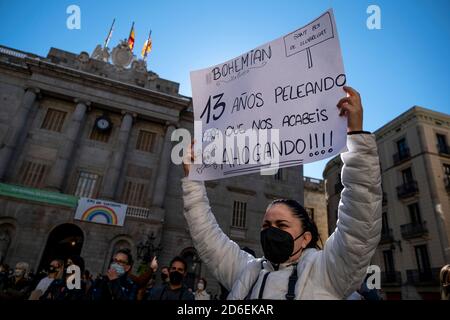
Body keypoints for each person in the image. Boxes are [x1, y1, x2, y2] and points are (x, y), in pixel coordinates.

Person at [182, 86, 382, 299]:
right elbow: (206, 235)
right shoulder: (246, 272)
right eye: (266, 225)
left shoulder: (326, 273)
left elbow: (359, 222)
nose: (271, 231)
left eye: (281, 225)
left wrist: (356, 137)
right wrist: (192, 179)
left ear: (305, 238)